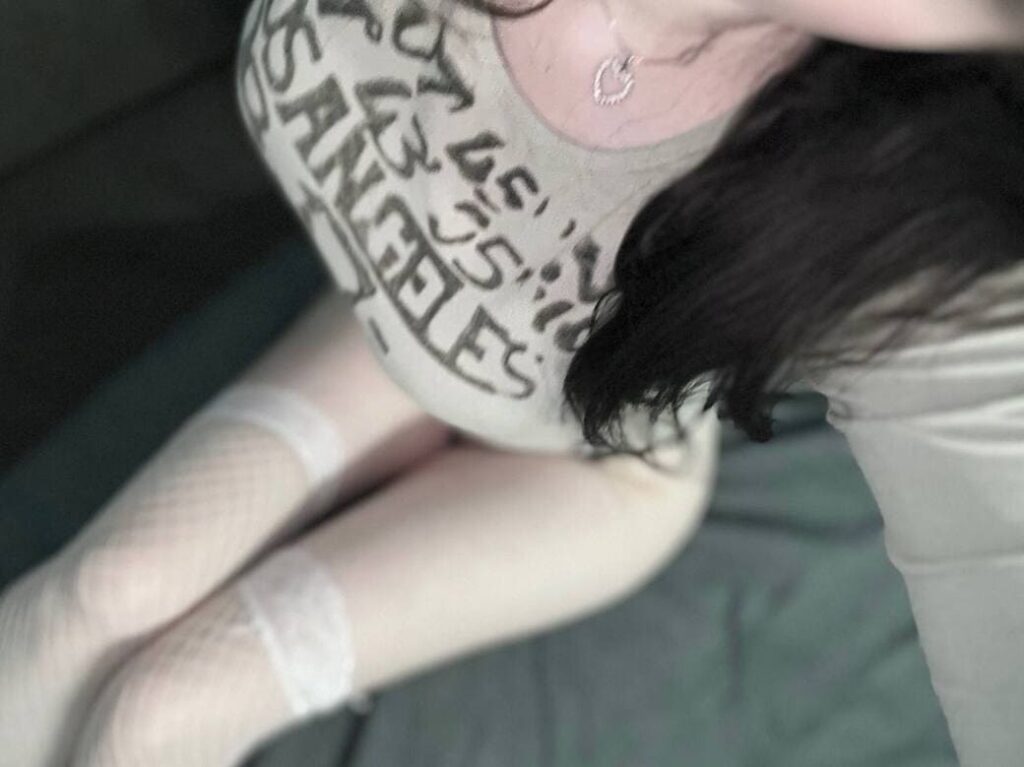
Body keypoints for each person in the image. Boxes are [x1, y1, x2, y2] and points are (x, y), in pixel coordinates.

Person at [1, 0, 1023, 765]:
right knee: (96, 596)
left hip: (588, 470)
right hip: (404, 332)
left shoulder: (916, 214)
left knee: (156, 719)